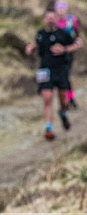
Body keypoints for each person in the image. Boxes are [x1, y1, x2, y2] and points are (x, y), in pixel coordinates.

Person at [26, 8, 83, 140]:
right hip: (44, 70)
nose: (51, 20)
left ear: (57, 19)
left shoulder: (63, 34)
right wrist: (31, 49)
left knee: (63, 100)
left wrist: (64, 49)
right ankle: (48, 129)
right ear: (44, 20)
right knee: (47, 98)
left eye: (53, 18)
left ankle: (62, 112)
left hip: (61, 70)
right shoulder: (40, 34)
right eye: (48, 18)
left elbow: (77, 44)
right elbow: (37, 47)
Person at [55, 1, 80, 109]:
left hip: (68, 53)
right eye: (58, 9)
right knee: (63, 78)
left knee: (65, 77)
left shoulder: (72, 20)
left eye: (62, 8)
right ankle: (69, 99)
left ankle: (70, 99)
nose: (60, 11)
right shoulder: (54, 21)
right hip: (56, 55)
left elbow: (77, 33)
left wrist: (76, 43)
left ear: (66, 9)